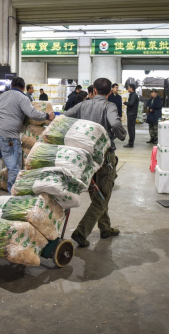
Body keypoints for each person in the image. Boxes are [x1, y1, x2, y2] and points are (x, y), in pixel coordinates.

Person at [63, 77, 127, 248]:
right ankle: (81, 232)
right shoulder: (109, 106)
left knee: (97, 194)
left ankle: (105, 228)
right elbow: (114, 123)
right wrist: (122, 134)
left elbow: (65, 116)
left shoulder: (83, 105)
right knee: (103, 197)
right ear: (110, 92)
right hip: (104, 158)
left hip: (85, 158)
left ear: (95, 91)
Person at [0, 77, 55, 195]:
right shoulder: (23, 98)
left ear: (11, 86)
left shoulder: (3, 95)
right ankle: (12, 192)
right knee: (13, 165)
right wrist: (47, 116)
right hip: (8, 135)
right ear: (23, 88)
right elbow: (32, 113)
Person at [123, 84, 139, 148]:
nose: (127, 89)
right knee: (131, 128)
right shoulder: (132, 95)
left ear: (131, 88)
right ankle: (131, 142)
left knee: (131, 129)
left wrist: (125, 103)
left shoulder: (134, 95)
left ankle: (131, 143)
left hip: (132, 114)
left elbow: (131, 104)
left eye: (128, 88)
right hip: (131, 113)